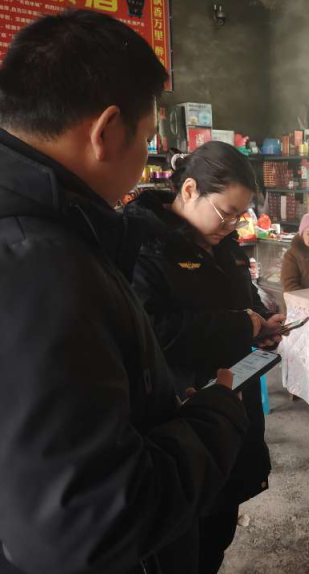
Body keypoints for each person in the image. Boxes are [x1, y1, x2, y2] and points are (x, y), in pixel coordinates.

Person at [0, 10, 249, 574]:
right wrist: (216, 416)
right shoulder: (22, 268)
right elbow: (88, 524)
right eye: (147, 138)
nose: (147, 157)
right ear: (107, 132)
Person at [124, 141, 283, 573]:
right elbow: (152, 332)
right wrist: (242, 325)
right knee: (183, 538)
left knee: (220, 526)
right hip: (182, 410)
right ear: (190, 189)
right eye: (226, 213)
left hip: (233, 401)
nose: (231, 226)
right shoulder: (143, 245)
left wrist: (263, 324)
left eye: (239, 217)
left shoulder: (224, 243)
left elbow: (244, 301)